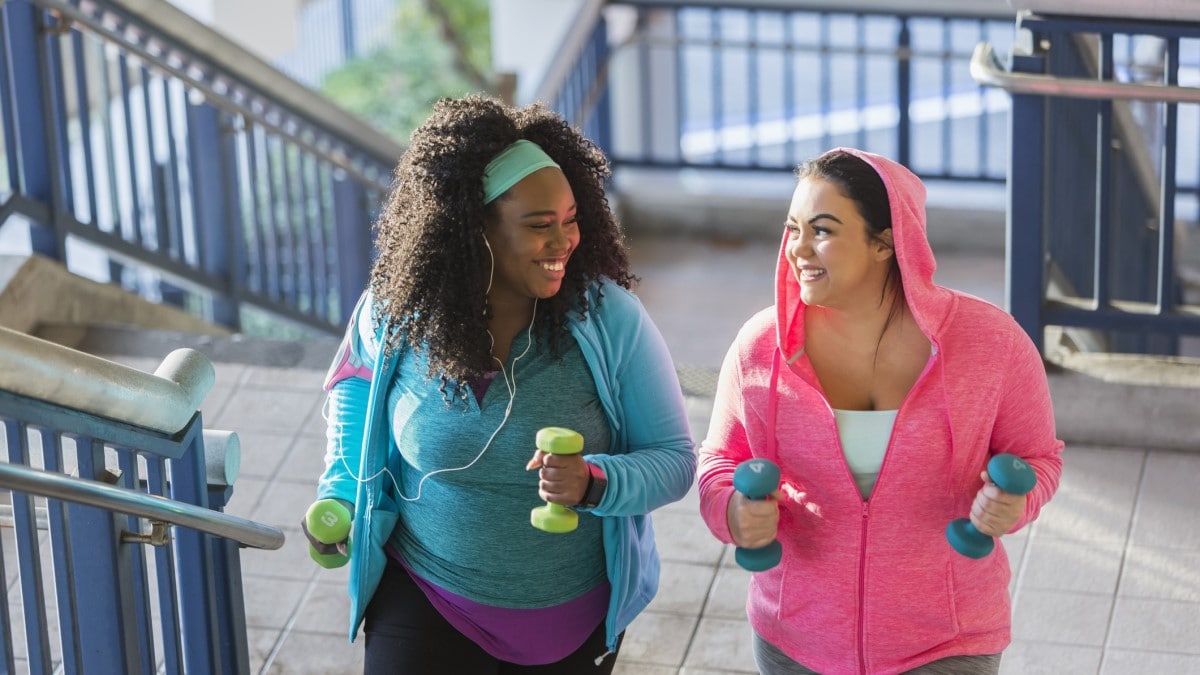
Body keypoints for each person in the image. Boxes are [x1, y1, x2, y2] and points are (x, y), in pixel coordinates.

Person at [307, 94, 696, 673]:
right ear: (473, 229)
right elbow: (356, 387)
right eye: (540, 225)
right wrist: (342, 490)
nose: (564, 242)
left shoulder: (611, 321)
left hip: (566, 622)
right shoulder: (398, 312)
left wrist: (594, 482)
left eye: (571, 220)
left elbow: (674, 460)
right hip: (426, 595)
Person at [697, 148, 1064, 674]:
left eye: (822, 230)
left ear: (886, 242)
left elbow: (1040, 458)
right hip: (795, 640)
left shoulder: (992, 345)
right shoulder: (761, 347)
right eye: (792, 228)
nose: (798, 248)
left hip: (948, 643)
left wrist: (1016, 503)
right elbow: (718, 463)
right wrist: (730, 511)